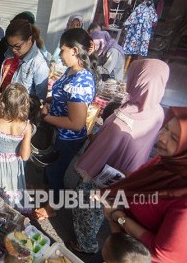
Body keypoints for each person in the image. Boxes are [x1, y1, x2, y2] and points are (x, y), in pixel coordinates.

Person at [70, 59, 169, 254]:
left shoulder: (123, 118)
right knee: (103, 209)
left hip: (104, 174)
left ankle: (86, 245)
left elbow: (100, 151)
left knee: (87, 209)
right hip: (130, 172)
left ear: (138, 81)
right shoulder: (157, 111)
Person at [103, 107, 187, 262]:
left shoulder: (185, 197)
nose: (162, 138)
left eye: (175, 138)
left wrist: (118, 217)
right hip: (122, 242)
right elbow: (145, 182)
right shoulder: (167, 160)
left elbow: (163, 254)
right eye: (166, 128)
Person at [35, 28, 96, 220]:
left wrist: (45, 117)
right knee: (49, 166)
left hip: (68, 137)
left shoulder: (81, 80)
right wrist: (50, 102)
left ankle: (55, 205)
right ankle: (46, 192)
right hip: (59, 132)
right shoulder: (71, 71)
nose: (60, 55)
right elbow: (62, 95)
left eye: (62, 50)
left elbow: (76, 123)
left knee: (55, 170)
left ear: (74, 51)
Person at [0, 83, 32, 206]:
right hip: (13, 167)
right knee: (9, 196)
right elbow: (25, 156)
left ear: (3, 101)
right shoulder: (26, 127)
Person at [0, 19, 49, 99]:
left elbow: (40, 99)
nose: (13, 50)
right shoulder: (11, 51)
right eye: (10, 46)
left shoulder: (39, 64)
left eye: (17, 46)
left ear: (29, 40)